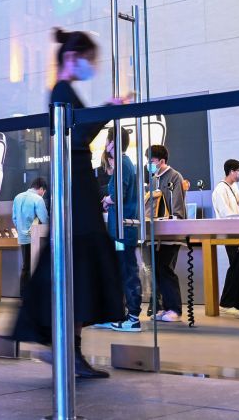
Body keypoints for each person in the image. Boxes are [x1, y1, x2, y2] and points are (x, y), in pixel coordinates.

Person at [13, 29, 127, 379]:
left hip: (75, 182)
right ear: (72, 57)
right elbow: (76, 136)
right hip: (74, 184)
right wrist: (109, 109)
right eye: (89, 59)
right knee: (77, 262)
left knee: (77, 265)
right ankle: (64, 348)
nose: (92, 66)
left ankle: (68, 350)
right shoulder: (61, 90)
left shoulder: (65, 89)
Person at [96, 127, 142, 331]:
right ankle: (123, 315)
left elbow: (118, 196)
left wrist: (107, 199)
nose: (106, 146)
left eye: (108, 141)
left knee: (127, 271)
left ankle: (132, 318)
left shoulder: (123, 163)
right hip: (121, 230)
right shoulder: (124, 163)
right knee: (123, 270)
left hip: (123, 231)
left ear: (114, 142)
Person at [145, 143, 187, 322]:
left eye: (151, 160)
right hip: (156, 233)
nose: (149, 163)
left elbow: (177, 203)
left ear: (161, 161)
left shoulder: (174, 177)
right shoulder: (153, 179)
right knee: (157, 270)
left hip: (171, 232)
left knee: (165, 268)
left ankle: (175, 309)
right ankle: (165, 307)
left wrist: (176, 221)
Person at [214, 158, 239, 315]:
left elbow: (238, 201)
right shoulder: (220, 189)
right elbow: (226, 213)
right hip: (230, 232)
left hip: (238, 231)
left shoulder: (232, 187)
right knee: (236, 266)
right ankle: (227, 303)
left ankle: (238, 304)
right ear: (231, 171)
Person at [12, 176, 49, 294]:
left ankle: (23, 293)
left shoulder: (17, 197)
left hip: (22, 237)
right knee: (35, 266)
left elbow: (14, 218)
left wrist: (21, 230)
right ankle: (33, 294)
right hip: (36, 237)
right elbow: (44, 219)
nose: (43, 194)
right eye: (44, 192)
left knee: (26, 266)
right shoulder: (38, 199)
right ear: (41, 189)